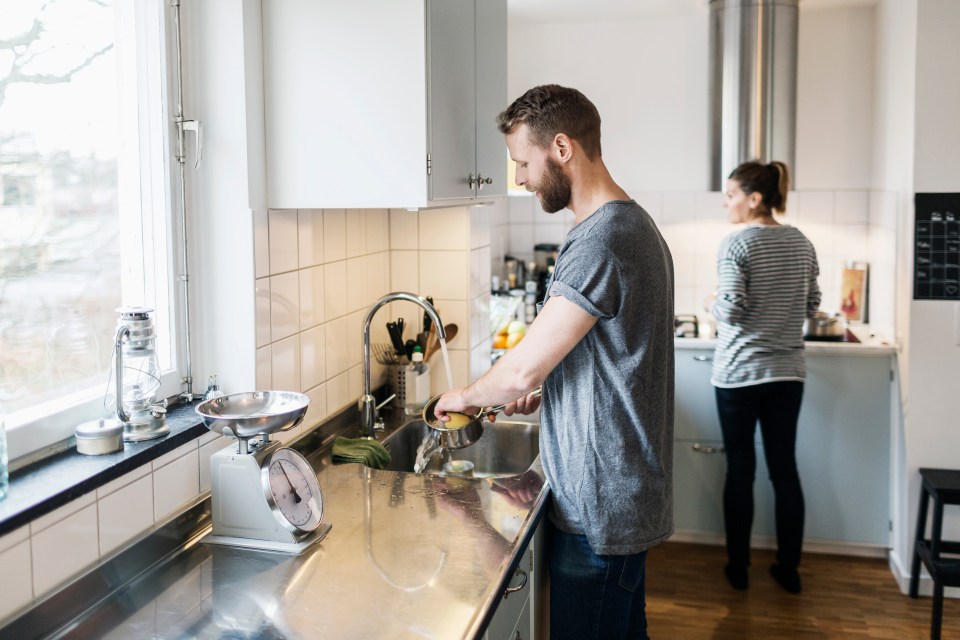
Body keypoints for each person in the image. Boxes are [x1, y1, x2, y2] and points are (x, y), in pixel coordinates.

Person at [434, 84, 675, 639]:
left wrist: (464, 397)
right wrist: (557, 392)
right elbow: (613, 357)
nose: (518, 177)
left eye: (522, 161)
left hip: (600, 507)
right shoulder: (625, 224)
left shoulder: (602, 239)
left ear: (561, 148)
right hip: (614, 496)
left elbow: (522, 368)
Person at [705, 160, 821, 594]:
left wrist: (708, 300)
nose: (725, 203)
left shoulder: (737, 244)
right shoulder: (802, 242)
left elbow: (731, 309)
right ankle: (787, 569)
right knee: (784, 470)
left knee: (740, 469)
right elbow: (812, 307)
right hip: (787, 373)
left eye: (731, 194)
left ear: (754, 199)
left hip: (739, 374)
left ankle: (738, 569)